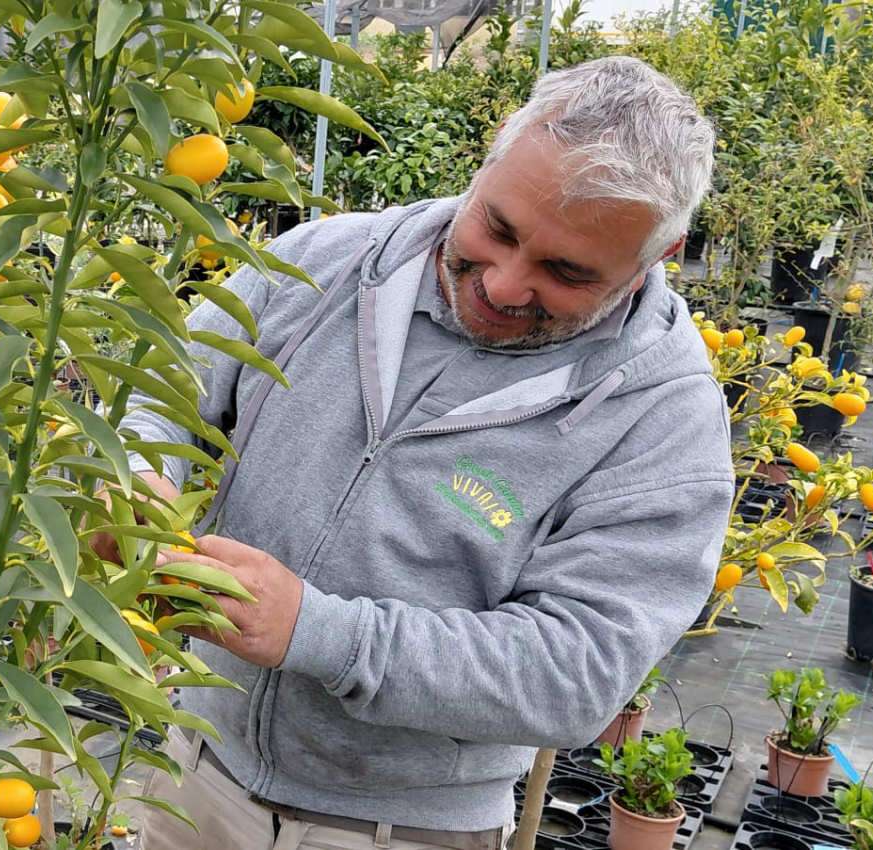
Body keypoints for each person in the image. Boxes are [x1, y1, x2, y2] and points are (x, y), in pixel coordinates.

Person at [112, 56, 733, 850]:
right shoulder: (324, 264)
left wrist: (320, 632)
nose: (506, 285)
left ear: (661, 253)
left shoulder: (661, 416)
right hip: (193, 774)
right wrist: (132, 476)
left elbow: (579, 671)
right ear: (487, 163)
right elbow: (162, 385)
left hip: (400, 829)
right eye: (497, 229)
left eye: (566, 272)